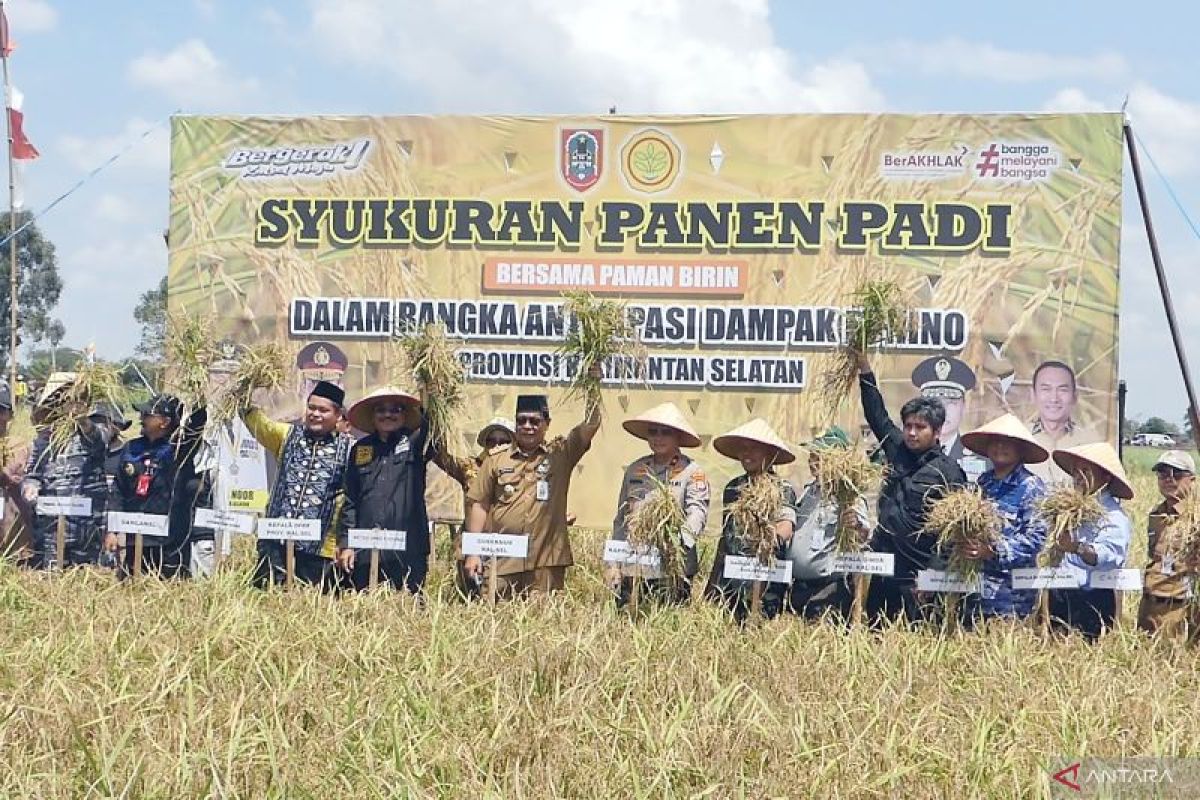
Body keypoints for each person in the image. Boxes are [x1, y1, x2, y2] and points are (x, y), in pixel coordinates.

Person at [857, 352, 967, 624]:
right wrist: (864, 370)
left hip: (919, 581)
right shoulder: (897, 450)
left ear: (937, 431)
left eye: (921, 427)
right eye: (908, 426)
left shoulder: (949, 472)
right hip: (883, 573)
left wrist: (932, 577)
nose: (912, 433)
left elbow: (952, 533)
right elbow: (876, 415)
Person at [463, 388, 602, 598]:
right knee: (496, 619)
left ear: (547, 424)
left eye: (535, 421)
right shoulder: (496, 460)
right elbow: (479, 504)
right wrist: (473, 552)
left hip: (545, 561)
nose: (528, 426)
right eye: (522, 421)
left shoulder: (561, 453)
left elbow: (590, 424)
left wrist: (592, 385)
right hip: (503, 558)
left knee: (543, 623)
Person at [243, 380, 354, 589]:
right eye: (312, 408)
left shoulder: (350, 450)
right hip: (275, 544)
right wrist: (247, 384)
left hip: (320, 552)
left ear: (338, 415)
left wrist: (345, 543)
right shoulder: (286, 435)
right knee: (266, 604)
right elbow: (255, 421)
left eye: (323, 410)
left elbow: (352, 501)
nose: (315, 414)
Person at [337, 386, 446, 593]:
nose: (388, 414)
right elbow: (350, 500)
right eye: (381, 410)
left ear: (405, 415)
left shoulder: (416, 443)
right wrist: (347, 543)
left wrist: (432, 385)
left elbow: (434, 425)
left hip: (408, 548)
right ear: (373, 416)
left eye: (395, 409)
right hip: (365, 546)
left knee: (408, 611)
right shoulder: (360, 449)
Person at [608, 402, 710, 607]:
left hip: (672, 568)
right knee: (627, 625)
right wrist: (613, 564)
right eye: (653, 432)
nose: (658, 438)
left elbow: (697, 513)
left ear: (678, 437)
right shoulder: (636, 469)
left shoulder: (692, 471)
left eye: (666, 432)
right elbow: (621, 519)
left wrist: (677, 543)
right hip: (634, 565)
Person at [955, 414, 1049, 625]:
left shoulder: (1031, 486)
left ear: (1020, 449)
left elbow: (1036, 538)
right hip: (976, 591)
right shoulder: (983, 483)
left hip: (1011, 597)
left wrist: (994, 550)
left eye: (1008, 443)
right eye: (995, 442)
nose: (1000, 447)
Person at [704, 418, 798, 623]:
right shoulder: (733, 488)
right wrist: (712, 585)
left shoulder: (782, 488)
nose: (746, 454)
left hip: (767, 583)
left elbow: (787, 524)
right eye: (743, 449)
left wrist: (770, 540)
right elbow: (726, 538)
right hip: (733, 581)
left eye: (754, 449)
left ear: (769, 453)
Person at [105, 395, 208, 578]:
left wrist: (199, 394)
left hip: (169, 542)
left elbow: (195, 427)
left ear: (165, 422)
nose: (141, 418)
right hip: (135, 539)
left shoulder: (179, 448)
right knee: (130, 591)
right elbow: (118, 491)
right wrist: (112, 530)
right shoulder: (131, 448)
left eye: (147, 414)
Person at [1046, 442, 1133, 641]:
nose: (1079, 477)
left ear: (1105, 477)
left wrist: (1075, 547)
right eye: (1076, 471)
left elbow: (1107, 557)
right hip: (1063, 593)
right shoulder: (1068, 512)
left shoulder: (1113, 516)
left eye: (1086, 471)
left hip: (1093, 599)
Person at [21, 384, 114, 570]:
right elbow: (33, 474)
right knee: (49, 580)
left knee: (85, 578)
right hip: (50, 529)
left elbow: (98, 440)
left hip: (86, 528)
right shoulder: (43, 440)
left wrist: (82, 420)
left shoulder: (93, 432)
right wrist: (29, 487)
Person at [785, 426, 869, 621]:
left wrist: (855, 526)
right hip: (798, 588)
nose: (812, 461)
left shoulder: (849, 496)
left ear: (838, 459)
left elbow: (862, 536)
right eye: (812, 455)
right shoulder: (808, 492)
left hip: (828, 591)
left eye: (820, 456)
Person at [1137, 450, 1197, 637]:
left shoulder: (1196, 517)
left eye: (1177, 474)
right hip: (1150, 604)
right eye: (1163, 474)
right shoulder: (1156, 514)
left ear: (1192, 480)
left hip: (1180, 608)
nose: (1169, 479)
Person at [911, 355, 987, 482]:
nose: (943, 411)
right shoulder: (904, 455)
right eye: (935, 403)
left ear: (964, 406)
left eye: (951, 402)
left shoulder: (982, 459)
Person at [1026, 360, 1097, 485]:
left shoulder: (1090, 443)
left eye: (1062, 390)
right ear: (1033, 395)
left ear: (1075, 396)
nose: (1054, 398)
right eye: (1046, 389)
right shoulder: (1019, 439)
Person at [0, 385, 33, 565]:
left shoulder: (17, 444)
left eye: (0, 411)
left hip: (10, 522)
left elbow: (12, 474)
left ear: (9, 416)